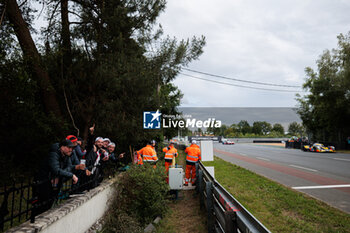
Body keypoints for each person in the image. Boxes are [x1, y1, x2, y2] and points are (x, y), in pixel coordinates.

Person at [33, 139, 79, 214]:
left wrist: (64, 171)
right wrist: (71, 175)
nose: (71, 150)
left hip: (54, 182)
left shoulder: (66, 155)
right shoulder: (54, 154)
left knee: (49, 203)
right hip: (44, 181)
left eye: (72, 148)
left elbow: (69, 167)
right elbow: (56, 170)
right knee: (41, 205)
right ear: (62, 147)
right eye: (69, 147)